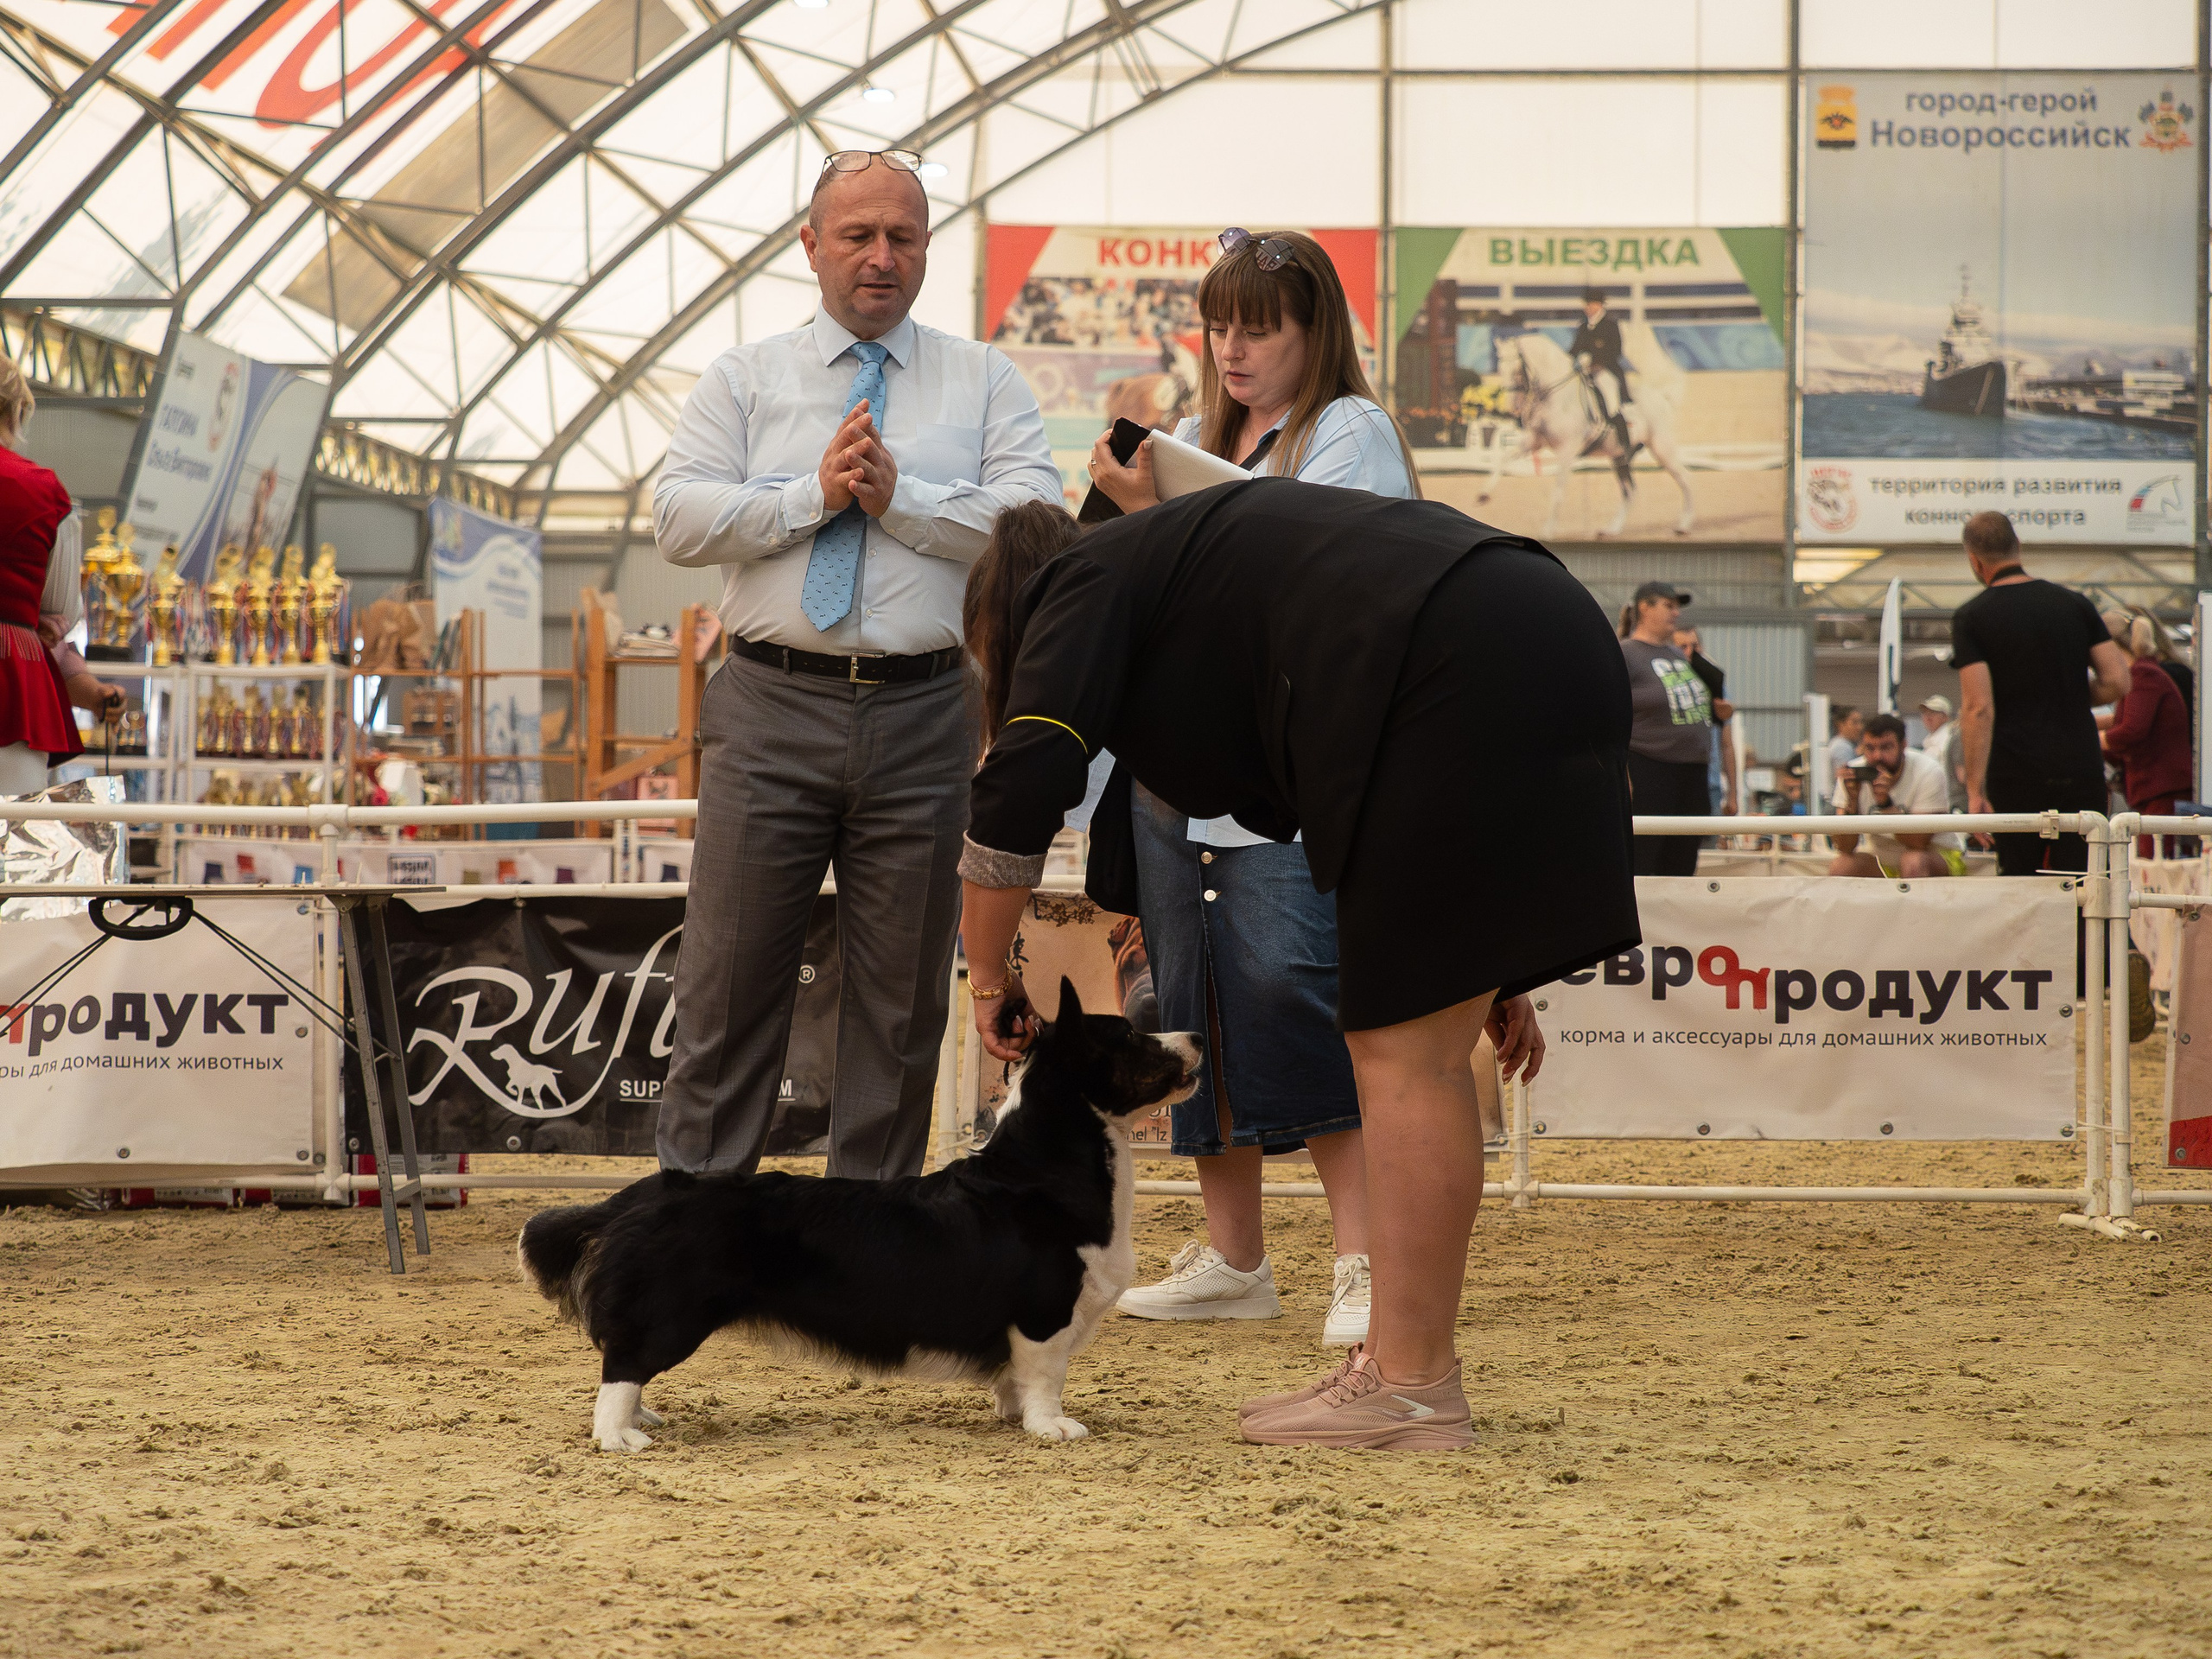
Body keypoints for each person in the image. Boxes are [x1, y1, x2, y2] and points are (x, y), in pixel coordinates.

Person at [957, 476, 1637, 1450]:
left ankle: (1410, 1385)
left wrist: (990, 980)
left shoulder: (1079, 581)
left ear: (1009, 621)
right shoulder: (1180, 575)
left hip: (1445, 657)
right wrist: (1492, 966)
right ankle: (1403, 1372)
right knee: (1417, 1047)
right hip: (1548, 621)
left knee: (1399, 1054)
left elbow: (1020, 782)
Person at [651, 148, 1060, 1179]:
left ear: (927, 248)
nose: (880, 257)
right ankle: (696, 1237)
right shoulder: (744, 377)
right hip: (766, 707)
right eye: (858, 236)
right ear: (810, 246)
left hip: (926, 717)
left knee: (897, 1009)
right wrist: (812, 498)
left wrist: (900, 499)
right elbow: (679, 519)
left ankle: (868, 1254)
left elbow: (1035, 526)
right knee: (727, 990)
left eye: (902, 237)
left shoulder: (985, 378)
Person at [1084, 228, 1420, 1348]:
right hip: (1176, 783)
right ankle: (1237, 1259)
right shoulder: (1194, 437)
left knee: (1297, 997)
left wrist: (1150, 528)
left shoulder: (1349, 434)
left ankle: (1366, 1265)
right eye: (1220, 323)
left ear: (1313, 330)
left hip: (1286, 783)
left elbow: (1313, 588)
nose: (1232, 347)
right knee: (1189, 1017)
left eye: (1258, 325)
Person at [1951, 511, 2129, 879]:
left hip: (2016, 773)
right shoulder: (2075, 604)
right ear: (2019, 547)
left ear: (1974, 560)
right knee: (2085, 886)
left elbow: (1978, 708)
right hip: (2079, 768)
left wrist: (1974, 790)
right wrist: (2069, 693)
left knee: (2022, 888)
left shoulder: (1973, 617)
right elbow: (2117, 682)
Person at [0, 357, 85, 798]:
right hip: (13, 677)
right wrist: (33, 620)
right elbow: (62, 611)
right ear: (17, 411)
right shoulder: (44, 491)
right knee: (11, 839)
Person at [1621, 580, 1720, 875]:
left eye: (1678, 607)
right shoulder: (1626, 653)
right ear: (1644, 608)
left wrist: (1716, 712)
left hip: (1692, 771)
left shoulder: (1677, 655)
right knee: (1645, 856)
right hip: (1651, 768)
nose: (1676, 613)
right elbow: (1610, 716)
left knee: (1683, 860)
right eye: (1669, 606)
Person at [2098, 611, 2193, 856]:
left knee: (2156, 861)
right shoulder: (2144, 674)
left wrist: (2096, 740)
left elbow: (2132, 730)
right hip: (2156, 789)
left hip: (2161, 789)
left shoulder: (2143, 676)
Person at [1827, 713, 1962, 878]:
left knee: (1912, 861)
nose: (1877, 756)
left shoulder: (1928, 771)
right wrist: (1852, 802)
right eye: (1870, 748)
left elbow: (1919, 842)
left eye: (1886, 747)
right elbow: (1844, 847)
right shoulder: (1853, 773)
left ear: (1903, 745)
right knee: (1842, 866)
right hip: (1883, 862)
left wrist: (1885, 804)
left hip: (1936, 856)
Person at [1671, 623, 1738, 816]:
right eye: (1683, 647)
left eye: (1695, 646)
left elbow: (1727, 744)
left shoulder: (1715, 687)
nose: (1690, 652)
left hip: (1710, 784)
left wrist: (1733, 793)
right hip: (1673, 781)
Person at [1571, 288, 1633, 467]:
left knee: (1611, 402)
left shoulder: (1610, 324)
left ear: (1599, 305)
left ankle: (1624, 443)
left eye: (1591, 304)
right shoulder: (1584, 325)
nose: (1588, 308)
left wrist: (1597, 363)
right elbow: (1575, 349)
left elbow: (1616, 351)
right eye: (1586, 304)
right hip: (1586, 372)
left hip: (1606, 370)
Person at [1917, 693, 1969, 813]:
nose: (1928, 717)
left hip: (1950, 802)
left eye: (1934, 713)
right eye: (1925, 713)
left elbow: (1961, 774)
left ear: (1945, 717)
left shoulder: (1949, 738)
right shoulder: (1929, 742)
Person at [1827, 706, 1864, 777]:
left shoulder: (1850, 745)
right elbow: (1848, 777)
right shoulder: (1841, 747)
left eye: (1860, 722)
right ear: (1841, 725)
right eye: (1855, 722)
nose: (1860, 727)